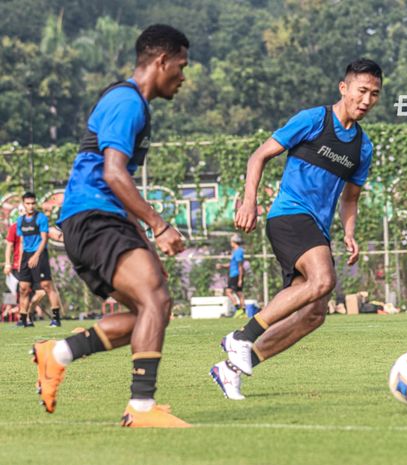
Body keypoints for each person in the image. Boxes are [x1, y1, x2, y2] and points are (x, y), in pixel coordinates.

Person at [31, 24, 190, 428]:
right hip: (94, 218)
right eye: (181, 66)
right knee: (155, 298)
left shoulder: (131, 102)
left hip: (96, 222)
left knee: (153, 311)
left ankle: (59, 354)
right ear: (161, 61)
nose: (183, 77)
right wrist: (159, 225)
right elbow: (115, 174)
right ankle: (141, 408)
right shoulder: (127, 102)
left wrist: (141, 237)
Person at [210, 58, 382, 400]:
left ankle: (231, 369)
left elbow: (350, 199)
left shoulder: (363, 147)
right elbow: (258, 156)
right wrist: (248, 201)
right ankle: (241, 337)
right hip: (289, 216)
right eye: (361, 91)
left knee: (314, 313)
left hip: (317, 229)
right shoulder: (313, 120)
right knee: (323, 281)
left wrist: (349, 232)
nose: (366, 100)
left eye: (374, 94)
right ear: (344, 88)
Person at [16, 192, 62, 327]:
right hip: (26, 255)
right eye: (28, 204)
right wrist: (20, 262)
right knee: (23, 288)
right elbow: (22, 242)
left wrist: (36, 256)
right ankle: (23, 320)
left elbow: (44, 239)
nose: (30, 206)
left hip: (40, 254)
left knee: (46, 286)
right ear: (23, 204)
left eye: (33, 203)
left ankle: (56, 318)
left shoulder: (41, 218)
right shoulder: (20, 220)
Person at [217, 233, 245, 315]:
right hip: (233, 274)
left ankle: (238, 309)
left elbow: (240, 266)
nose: (230, 243)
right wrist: (222, 266)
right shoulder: (235, 252)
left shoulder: (238, 252)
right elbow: (232, 264)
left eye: (231, 241)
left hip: (235, 275)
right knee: (239, 293)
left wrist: (240, 279)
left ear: (234, 242)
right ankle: (243, 311)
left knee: (228, 292)